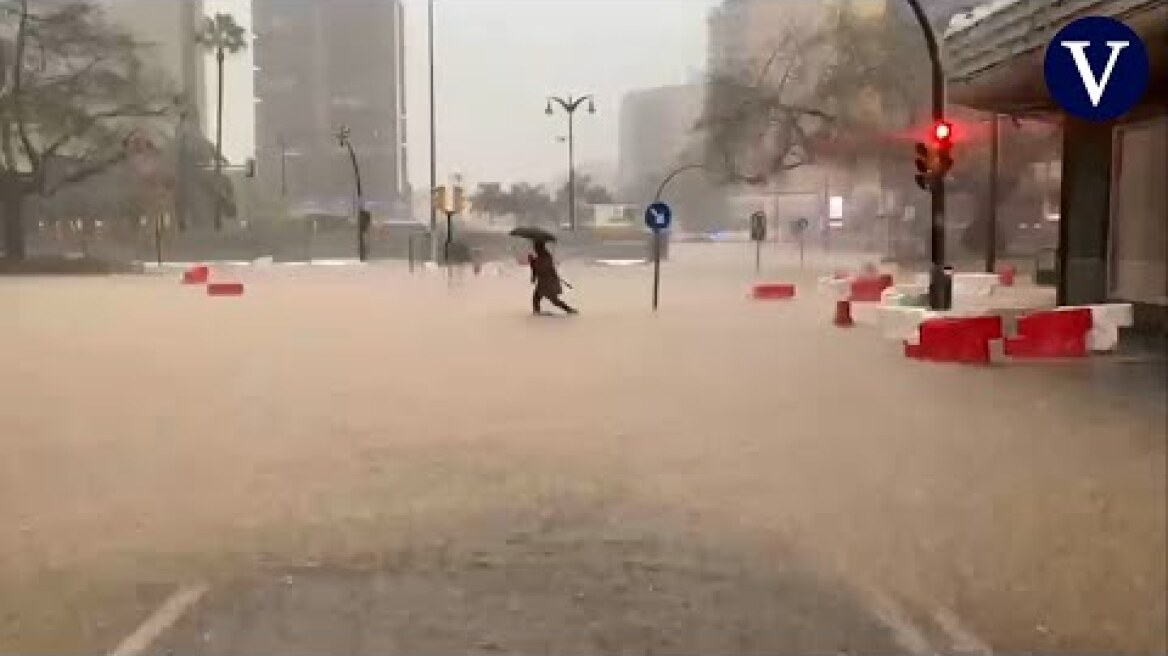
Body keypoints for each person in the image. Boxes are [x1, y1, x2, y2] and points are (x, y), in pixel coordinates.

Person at [528, 241, 577, 315]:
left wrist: (533, 262)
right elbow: (536, 269)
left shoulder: (546, 256)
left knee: (552, 300)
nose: (535, 249)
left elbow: (542, 268)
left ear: (540, 248)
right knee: (538, 299)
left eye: (536, 247)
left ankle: (570, 310)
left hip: (548, 282)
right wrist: (532, 263)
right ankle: (537, 313)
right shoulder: (541, 257)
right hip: (544, 282)